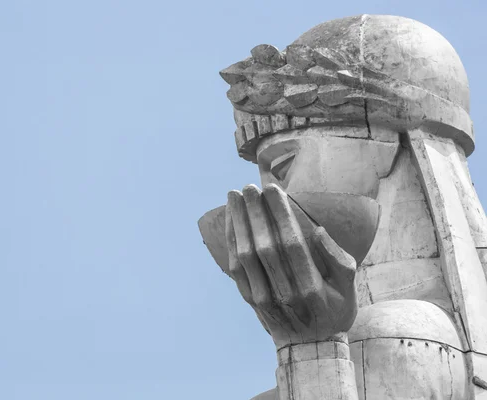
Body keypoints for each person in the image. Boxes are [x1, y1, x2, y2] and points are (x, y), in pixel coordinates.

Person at [199, 15, 487, 399]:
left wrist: (311, 349)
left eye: (283, 167)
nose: (272, 193)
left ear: (384, 147)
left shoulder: (399, 336)